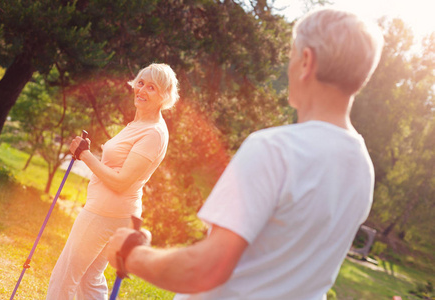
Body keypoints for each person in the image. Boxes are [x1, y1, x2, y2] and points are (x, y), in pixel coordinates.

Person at [106, 8, 384, 300]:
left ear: (307, 61)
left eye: (291, 55)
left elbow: (204, 270)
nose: (288, 66)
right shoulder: (363, 169)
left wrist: (131, 254)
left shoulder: (274, 150)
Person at [46, 63, 179, 299]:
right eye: (140, 83)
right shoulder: (140, 124)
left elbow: (120, 182)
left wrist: (84, 155)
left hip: (104, 213)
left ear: (164, 96)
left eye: (152, 87)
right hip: (112, 213)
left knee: (65, 276)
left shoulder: (153, 133)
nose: (142, 90)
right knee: (89, 279)